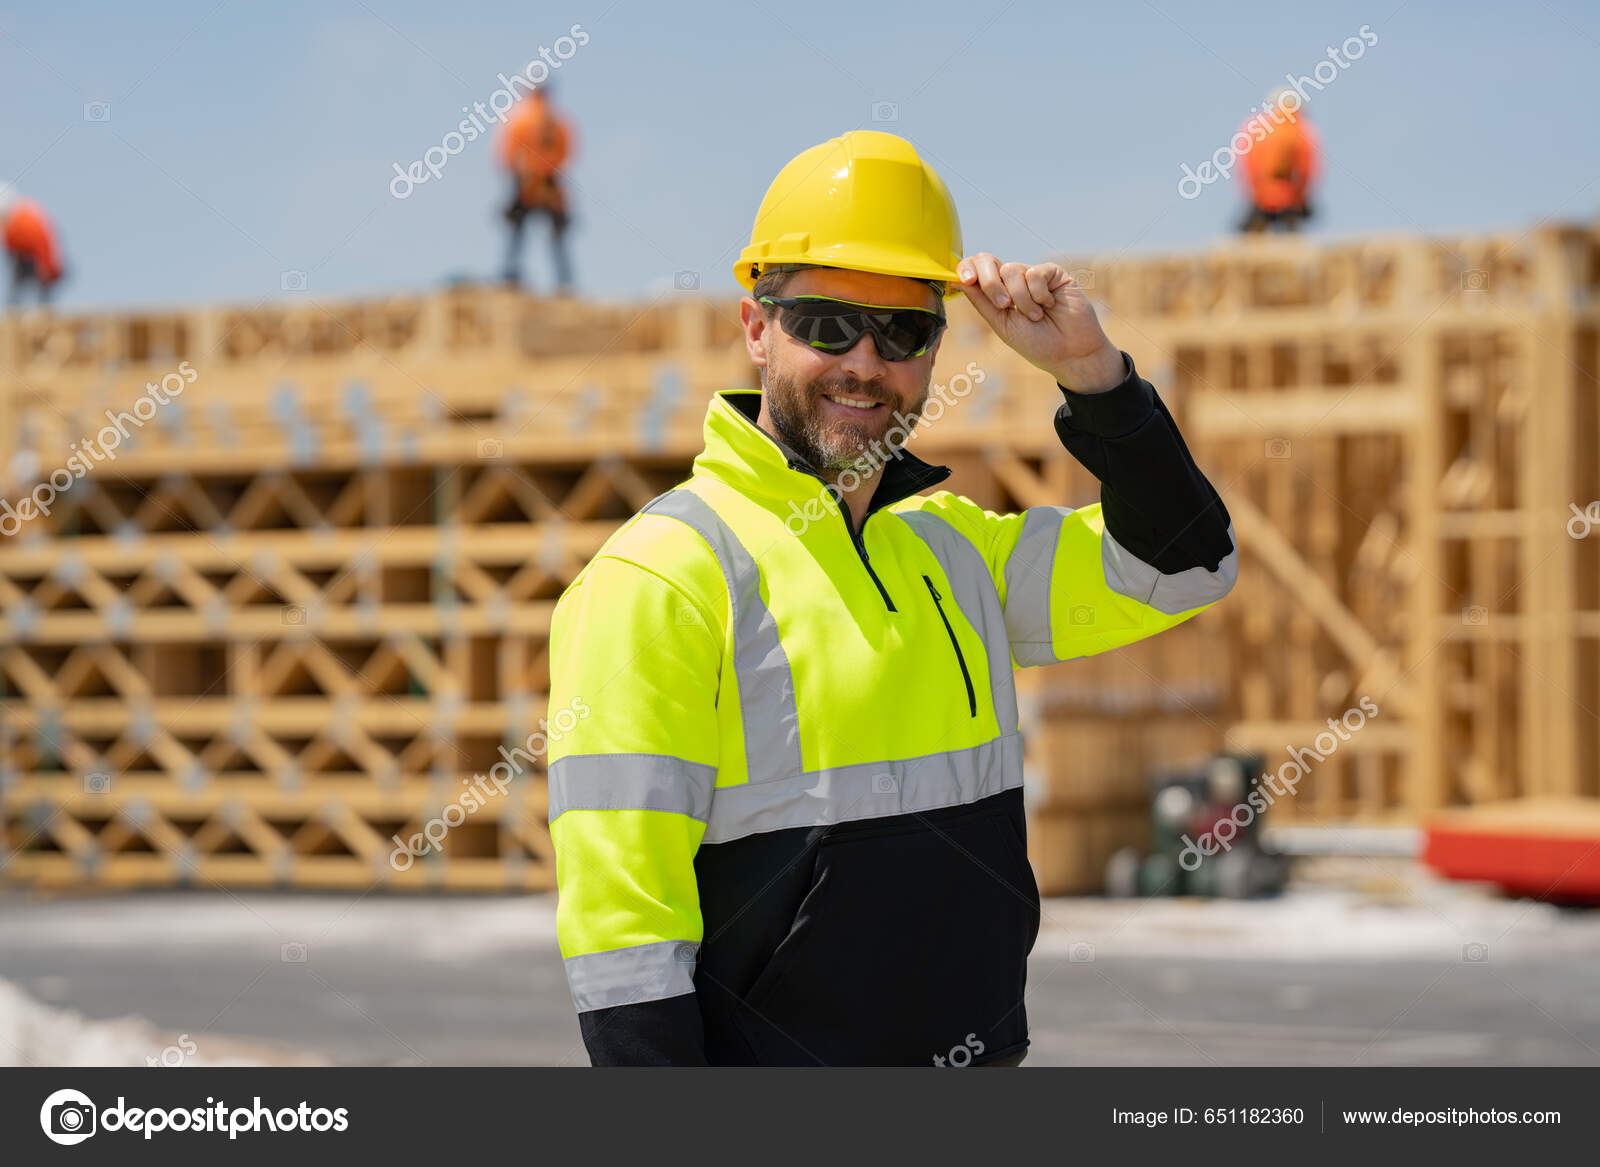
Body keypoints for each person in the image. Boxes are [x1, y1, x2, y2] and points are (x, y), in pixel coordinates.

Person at [546, 130, 1238, 1066]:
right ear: (756, 326)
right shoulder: (663, 577)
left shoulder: (957, 551)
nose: (865, 362)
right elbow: (626, 944)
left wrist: (1095, 378)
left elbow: (1188, 565)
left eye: (904, 331)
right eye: (826, 323)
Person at [495, 85, 575, 292]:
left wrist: (520, 174)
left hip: (527, 180)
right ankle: (564, 280)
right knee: (555, 233)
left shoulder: (520, 117)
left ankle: (510, 274)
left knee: (518, 230)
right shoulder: (557, 120)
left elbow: (507, 151)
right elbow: (567, 150)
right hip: (548, 180)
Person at [1238, 91, 1320, 234]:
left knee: (1254, 238)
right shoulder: (1302, 130)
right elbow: (1308, 169)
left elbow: (1247, 164)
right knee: (1291, 239)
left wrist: (1255, 192)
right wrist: (1301, 196)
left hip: (1261, 197)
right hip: (1290, 198)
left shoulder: (1257, 128)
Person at [0, 185, 65, 307]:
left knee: (42, 292)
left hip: (38, 260)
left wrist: (48, 269)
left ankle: (43, 312)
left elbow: (42, 246)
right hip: (26, 259)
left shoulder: (26, 221)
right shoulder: (15, 222)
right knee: (18, 291)